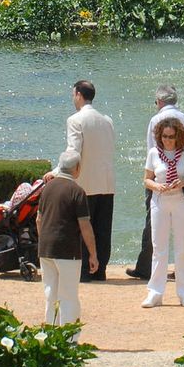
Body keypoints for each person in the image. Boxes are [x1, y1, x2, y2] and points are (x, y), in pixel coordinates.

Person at [127, 86, 184, 280]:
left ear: (159, 101)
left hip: (160, 179)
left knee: (154, 226)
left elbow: (154, 151)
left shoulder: (155, 120)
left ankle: (145, 267)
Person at [141, 116, 184, 308]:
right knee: (159, 248)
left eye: (171, 137)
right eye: (164, 136)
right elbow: (147, 179)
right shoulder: (153, 153)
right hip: (160, 202)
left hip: (182, 202)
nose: (167, 140)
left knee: (183, 248)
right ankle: (155, 293)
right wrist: (157, 186)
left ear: (178, 136)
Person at [38, 149, 99, 328]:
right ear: (77, 168)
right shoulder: (77, 191)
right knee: (69, 296)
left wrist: (43, 241)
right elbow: (85, 226)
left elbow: (39, 220)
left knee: (50, 293)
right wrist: (93, 254)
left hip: (46, 249)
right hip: (67, 250)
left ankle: (50, 333)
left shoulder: (47, 188)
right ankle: (69, 338)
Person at [64, 80, 114, 281]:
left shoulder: (75, 120)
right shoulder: (107, 120)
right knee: (103, 228)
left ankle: (85, 270)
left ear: (78, 94)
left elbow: (73, 152)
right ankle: (100, 270)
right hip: (107, 182)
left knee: (84, 227)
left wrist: (58, 171)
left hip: (84, 181)